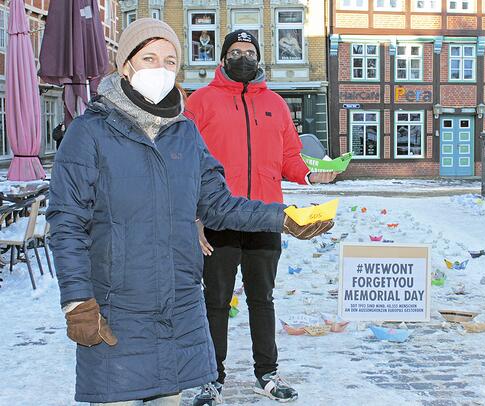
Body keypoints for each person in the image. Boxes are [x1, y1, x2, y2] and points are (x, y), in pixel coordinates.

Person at [46, 19, 333, 406]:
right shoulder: (90, 132)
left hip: (179, 310)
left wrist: (283, 218)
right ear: (125, 64)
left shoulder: (184, 133)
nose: (160, 68)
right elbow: (66, 223)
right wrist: (77, 300)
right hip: (117, 311)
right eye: (148, 57)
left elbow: (217, 203)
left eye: (169, 60)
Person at [186, 29, 337, 404]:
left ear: (259, 59)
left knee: (262, 298)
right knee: (215, 301)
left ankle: (266, 372)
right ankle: (211, 377)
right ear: (222, 59)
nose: (243, 57)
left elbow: (289, 156)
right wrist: (194, 218)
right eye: (235, 51)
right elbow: (184, 165)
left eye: (249, 51)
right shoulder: (200, 103)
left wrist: (309, 173)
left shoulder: (276, 104)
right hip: (218, 219)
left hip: (267, 218)